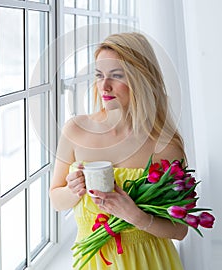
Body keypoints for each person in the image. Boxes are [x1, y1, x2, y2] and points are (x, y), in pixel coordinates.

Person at [49, 32, 187, 269]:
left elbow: (181, 230)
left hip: (149, 261)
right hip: (93, 262)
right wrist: (74, 191)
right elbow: (56, 199)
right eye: (99, 75)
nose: (104, 86)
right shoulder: (75, 130)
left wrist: (138, 218)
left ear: (141, 79)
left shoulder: (165, 146)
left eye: (116, 76)